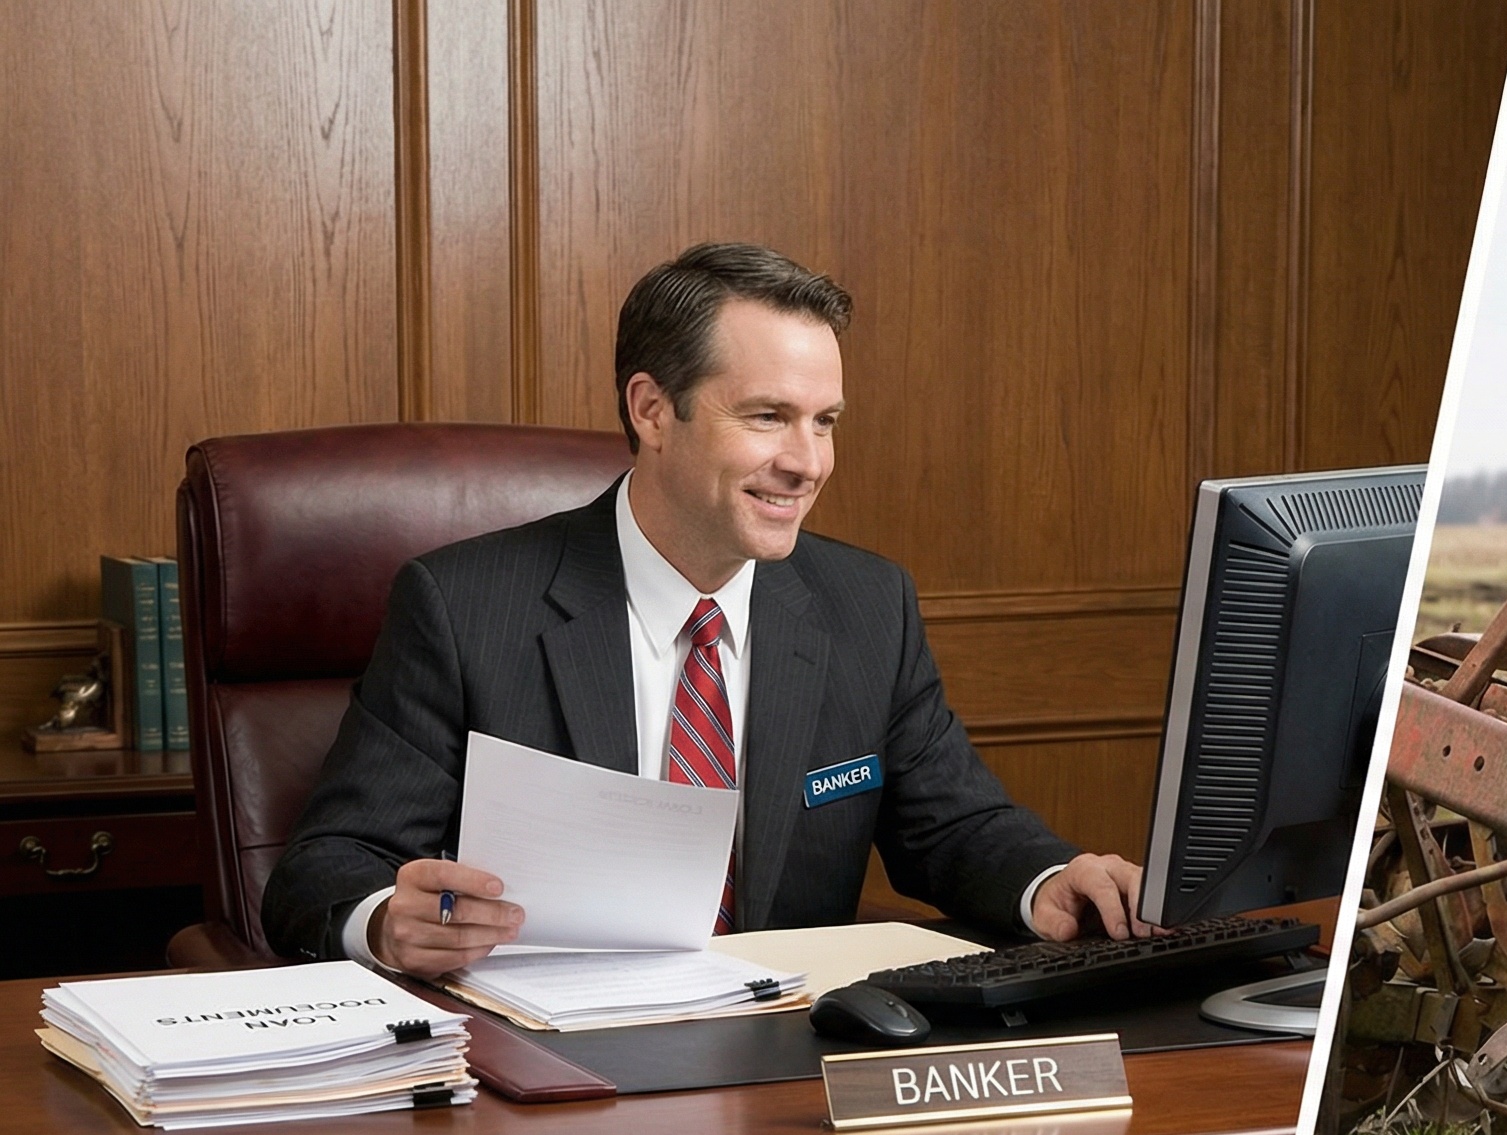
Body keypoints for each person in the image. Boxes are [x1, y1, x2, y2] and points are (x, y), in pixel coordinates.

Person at [265, 242, 1150, 976]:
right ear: (653, 410)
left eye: (826, 421)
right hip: (554, 1060)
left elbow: (954, 825)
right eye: (768, 416)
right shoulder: (464, 606)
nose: (808, 463)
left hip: (787, 1057)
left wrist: (1051, 881)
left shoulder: (867, 605)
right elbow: (327, 865)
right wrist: (386, 922)